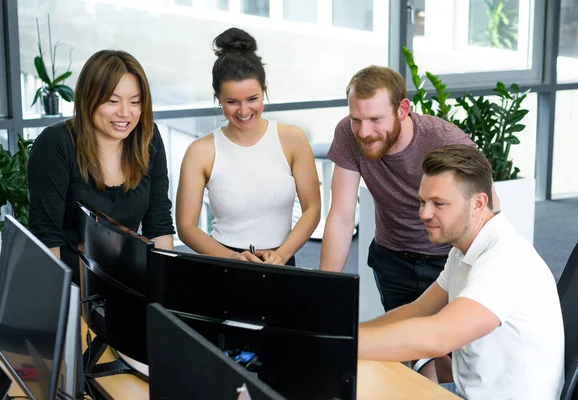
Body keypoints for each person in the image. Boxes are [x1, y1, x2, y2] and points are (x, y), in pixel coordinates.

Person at [358, 145, 564, 399]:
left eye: (439, 204)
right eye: (422, 202)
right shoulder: (463, 248)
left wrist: (343, 345)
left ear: (478, 203)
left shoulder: (505, 262)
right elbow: (419, 310)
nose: (424, 213)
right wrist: (348, 334)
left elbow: (438, 337)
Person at [319, 65, 479, 312]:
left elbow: (487, 212)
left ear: (402, 109)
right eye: (356, 120)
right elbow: (341, 216)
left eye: (375, 119)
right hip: (391, 259)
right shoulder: (347, 134)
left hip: (448, 260)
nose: (364, 132)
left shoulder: (445, 141)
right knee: (401, 345)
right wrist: (324, 289)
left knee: (451, 347)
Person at [176, 27, 320, 266]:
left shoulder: (293, 139)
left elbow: (313, 207)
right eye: (232, 102)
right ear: (218, 99)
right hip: (225, 263)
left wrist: (282, 254)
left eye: (252, 99)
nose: (243, 111)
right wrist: (232, 259)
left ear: (264, 91)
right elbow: (186, 226)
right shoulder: (200, 151)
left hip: (280, 261)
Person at [28, 50, 175, 284]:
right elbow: (47, 239)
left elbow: (159, 226)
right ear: (89, 99)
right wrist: (59, 306)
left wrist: (163, 293)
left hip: (128, 282)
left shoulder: (148, 138)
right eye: (112, 101)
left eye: (135, 102)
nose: (125, 113)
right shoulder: (56, 143)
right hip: (72, 286)